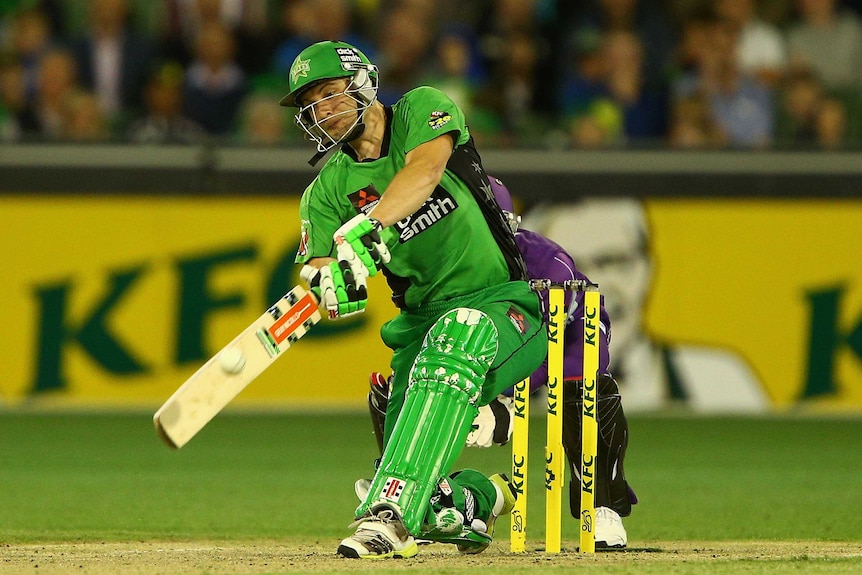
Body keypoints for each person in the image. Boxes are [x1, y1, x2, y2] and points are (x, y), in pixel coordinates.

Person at [279, 40, 548, 559]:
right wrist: (331, 285)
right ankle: (477, 499)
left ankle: (388, 518)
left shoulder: (423, 109)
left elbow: (424, 172)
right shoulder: (325, 192)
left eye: (329, 95)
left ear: (362, 83)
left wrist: (372, 230)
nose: (322, 113)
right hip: (419, 332)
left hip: (506, 307)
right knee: (424, 486)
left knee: (460, 330)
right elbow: (316, 267)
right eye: (310, 105)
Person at [362, 175, 636, 549]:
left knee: (584, 386)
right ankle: (426, 499)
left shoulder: (545, 262)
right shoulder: (450, 268)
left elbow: (538, 341)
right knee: (402, 387)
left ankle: (601, 506)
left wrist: (502, 399)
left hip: (569, 333)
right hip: (489, 346)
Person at [523, 198, 770, 412]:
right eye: (570, 268)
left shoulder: (718, 378)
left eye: (613, 262)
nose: (596, 286)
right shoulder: (515, 378)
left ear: (647, 268)